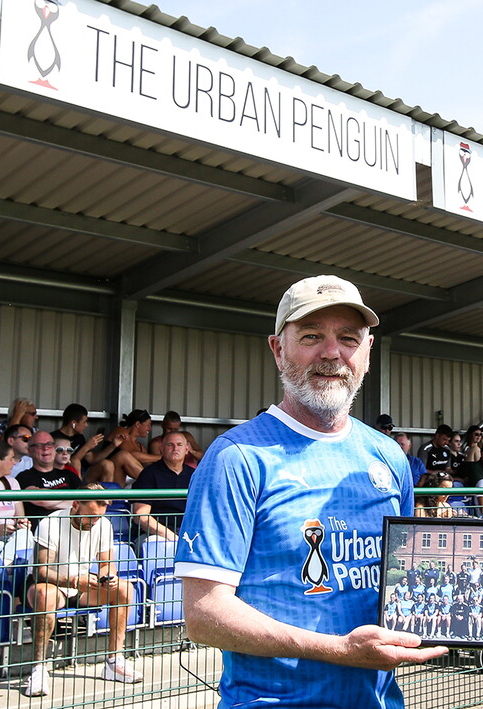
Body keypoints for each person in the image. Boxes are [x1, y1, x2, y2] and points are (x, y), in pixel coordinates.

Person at [175, 274, 446, 708]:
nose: (332, 352)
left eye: (348, 338)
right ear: (278, 349)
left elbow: (405, 583)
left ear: (368, 353)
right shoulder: (238, 457)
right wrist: (337, 651)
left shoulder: (389, 456)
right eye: (311, 336)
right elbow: (204, 616)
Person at [22, 483, 142, 697]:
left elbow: (106, 563)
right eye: (91, 517)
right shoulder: (51, 522)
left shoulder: (103, 524)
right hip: (53, 586)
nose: (94, 522)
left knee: (125, 589)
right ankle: (39, 668)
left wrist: (110, 576)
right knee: (45, 593)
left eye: (98, 517)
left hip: (81, 585)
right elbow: (42, 572)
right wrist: (75, 581)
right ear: (75, 505)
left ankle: (114, 661)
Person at [132, 431, 195, 544]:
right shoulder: (149, 474)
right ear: (162, 449)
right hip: (156, 535)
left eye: (179, 445)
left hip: (188, 533)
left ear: (186, 450)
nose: (175, 448)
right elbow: (141, 516)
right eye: (170, 445)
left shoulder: (195, 475)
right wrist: (173, 538)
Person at [16, 432, 83, 529]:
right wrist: (71, 499)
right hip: (41, 530)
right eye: (39, 445)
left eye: (49, 444)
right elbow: (42, 500)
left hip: (70, 528)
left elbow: (83, 501)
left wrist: (52, 502)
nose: (45, 448)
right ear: (30, 451)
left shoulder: (69, 474)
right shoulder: (24, 476)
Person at [50, 403, 105, 473]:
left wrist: (113, 445)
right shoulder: (53, 438)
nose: (86, 425)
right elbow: (71, 462)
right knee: (76, 463)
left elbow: (92, 460)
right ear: (73, 423)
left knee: (107, 464)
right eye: (84, 422)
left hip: (82, 473)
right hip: (60, 474)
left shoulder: (80, 437)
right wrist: (86, 447)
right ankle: (79, 484)